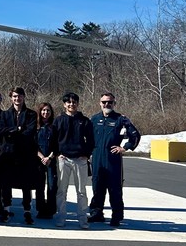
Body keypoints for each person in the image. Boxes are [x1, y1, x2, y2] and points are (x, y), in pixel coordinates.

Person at [88, 93, 141, 227]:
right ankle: (96, 213)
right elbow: (86, 137)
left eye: (110, 102)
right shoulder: (94, 119)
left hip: (113, 160)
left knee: (114, 189)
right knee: (97, 186)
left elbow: (135, 135)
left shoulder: (121, 119)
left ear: (114, 104)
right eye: (104, 102)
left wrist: (124, 147)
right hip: (97, 159)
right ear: (100, 103)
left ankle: (116, 216)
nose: (107, 105)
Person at [0, 87, 39, 224]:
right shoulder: (4, 114)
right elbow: (0, 131)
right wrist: (16, 129)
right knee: (6, 184)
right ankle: (7, 210)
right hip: (8, 155)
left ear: (24, 97)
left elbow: (30, 132)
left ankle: (27, 211)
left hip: (25, 154)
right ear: (11, 98)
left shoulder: (31, 114)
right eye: (14, 96)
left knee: (26, 185)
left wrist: (12, 134)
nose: (17, 99)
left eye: (19, 96)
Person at [51, 92, 94, 228]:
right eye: (68, 102)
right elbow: (53, 140)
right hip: (64, 159)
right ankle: (61, 217)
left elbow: (91, 140)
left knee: (81, 191)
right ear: (64, 104)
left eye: (74, 102)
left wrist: (86, 154)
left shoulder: (85, 120)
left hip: (80, 160)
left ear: (77, 103)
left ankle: (82, 219)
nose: (71, 104)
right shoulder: (58, 120)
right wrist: (57, 154)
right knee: (62, 191)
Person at [35, 102, 58, 219]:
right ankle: (41, 209)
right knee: (39, 186)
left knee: (52, 186)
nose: (45, 112)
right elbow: (32, 145)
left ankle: (50, 210)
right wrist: (41, 157)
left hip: (51, 160)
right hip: (38, 160)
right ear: (40, 111)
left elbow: (57, 145)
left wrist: (49, 157)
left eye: (48, 110)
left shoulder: (54, 126)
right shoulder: (36, 126)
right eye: (43, 110)